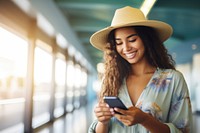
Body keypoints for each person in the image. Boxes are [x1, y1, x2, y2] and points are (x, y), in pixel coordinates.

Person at [88, 6, 192, 133]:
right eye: (119, 43)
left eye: (132, 39)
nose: (126, 48)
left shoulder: (173, 80)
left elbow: (184, 131)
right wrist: (102, 122)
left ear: (146, 39)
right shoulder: (111, 80)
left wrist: (145, 120)